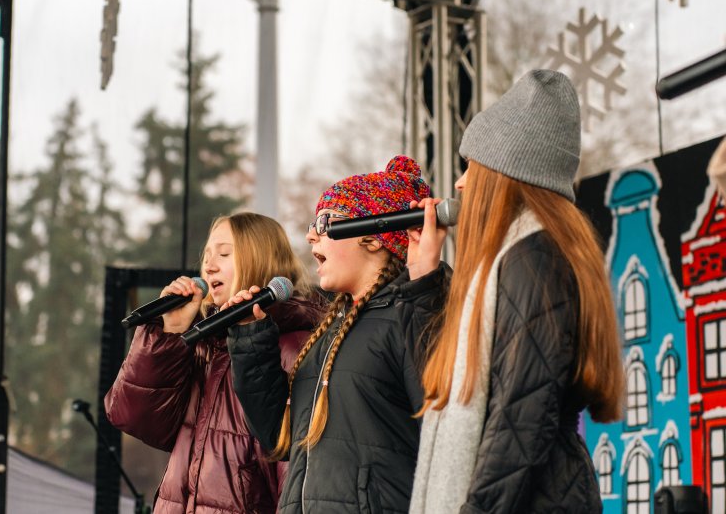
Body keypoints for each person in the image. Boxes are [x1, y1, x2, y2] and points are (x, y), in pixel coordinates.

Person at [409, 69, 625, 513]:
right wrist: (426, 276)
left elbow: (521, 419)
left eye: (472, 167)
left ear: (504, 175)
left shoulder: (534, 258)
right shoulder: (526, 255)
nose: (460, 183)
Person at [223, 156, 450, 514]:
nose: (311, 234)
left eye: (326, 222)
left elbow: (443, 421)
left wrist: (424, 289)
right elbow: (278, 436)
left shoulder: (415, 312)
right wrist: (251, 342)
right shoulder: (331, 330)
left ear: (373, 238)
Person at [104, 213, 324, 514]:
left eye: (223, 254)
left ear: (261, 259)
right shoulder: (203, 344)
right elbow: (135, 417)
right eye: (206, 256)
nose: (208, 266)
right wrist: (171, 331)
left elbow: (297, 478)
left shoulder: (295, 346)